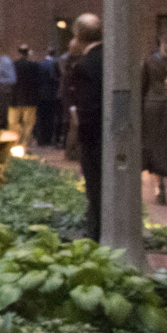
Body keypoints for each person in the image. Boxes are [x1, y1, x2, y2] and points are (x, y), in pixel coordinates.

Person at [68, 14, 104, 240]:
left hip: (93, 137)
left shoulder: (85, 65)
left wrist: (83, 137)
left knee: (95, 189)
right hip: (111, 133)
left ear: (78, 35)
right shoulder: (112, 57)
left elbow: (88, 107)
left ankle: (95, 235)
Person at [143, 39, 167, 206]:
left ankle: (159, 188)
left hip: (152, 107)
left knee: (154, 147)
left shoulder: (149, 62)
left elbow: (143, 86)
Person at [11, 45, 41, 146]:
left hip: (15, 99)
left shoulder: (13, 65)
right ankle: (24, 145)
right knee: (28, 124)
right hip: (30, 98)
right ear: (28, 53)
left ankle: (15, 144)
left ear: (19, 53)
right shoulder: (34, 66)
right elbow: (38, 82)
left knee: (14, 123)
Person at [35, 46, 63, 146]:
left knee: (41, 117)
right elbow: (55, 79)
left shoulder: (40, 64)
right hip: (51, 95)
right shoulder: (54, 64)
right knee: (50, 118)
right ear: (54, 53)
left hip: (40, 94)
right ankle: (48, 139)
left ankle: (40, 139)